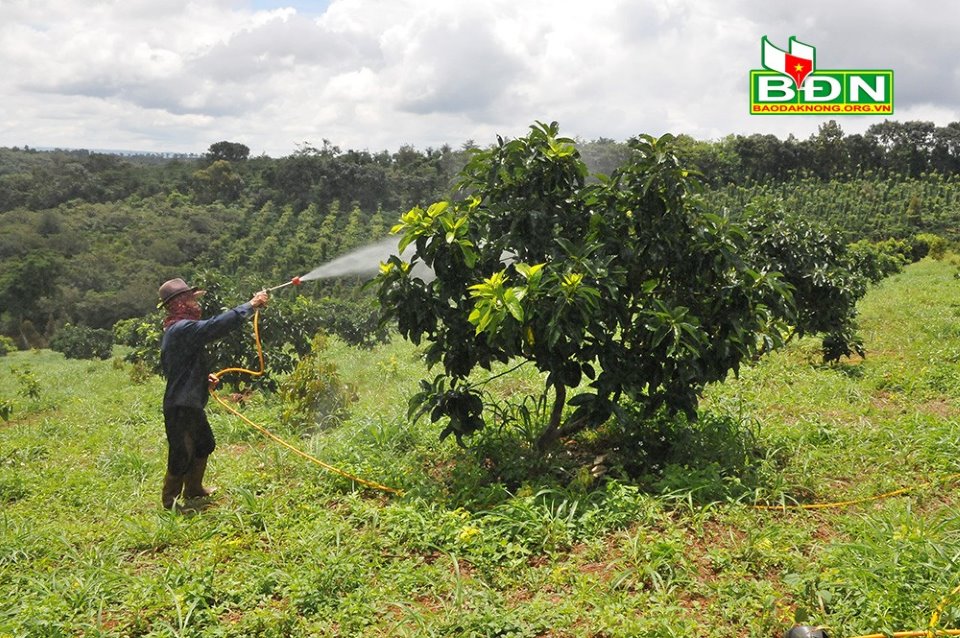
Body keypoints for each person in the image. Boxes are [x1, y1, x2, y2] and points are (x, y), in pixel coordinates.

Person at [157, 278, 269, 510]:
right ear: (179, 303)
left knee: (204, 444)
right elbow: (214, 326)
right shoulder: (181, 328)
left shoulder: (178, 329)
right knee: (181, 453)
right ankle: (170, 501)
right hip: (180, 404)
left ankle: (194, 489)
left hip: (189, 401)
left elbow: (178, 366)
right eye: (189, 299)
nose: (194, 303)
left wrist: (202, 378)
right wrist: (250, 305)